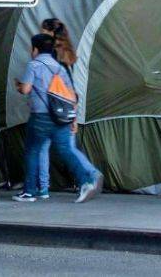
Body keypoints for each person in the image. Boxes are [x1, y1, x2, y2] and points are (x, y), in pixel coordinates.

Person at [12, 33, 103, 203]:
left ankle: (30, 192)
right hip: (60, 118)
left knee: (32, 151)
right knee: (66, 150)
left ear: (35, 49)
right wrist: (73, 119)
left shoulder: (34, 65)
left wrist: (18, 85)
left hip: (40, 118)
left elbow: (25, 90)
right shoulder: (59, 68)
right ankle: (88, 179)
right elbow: (71, 97)